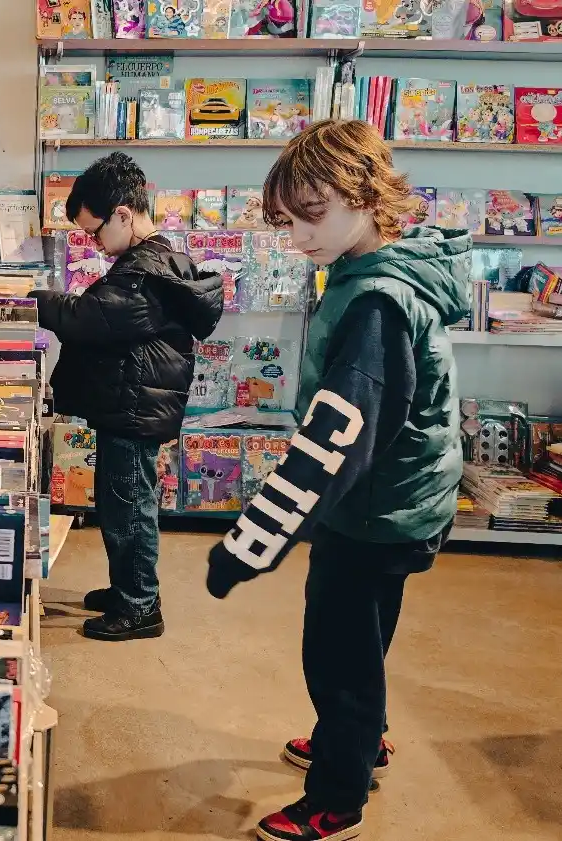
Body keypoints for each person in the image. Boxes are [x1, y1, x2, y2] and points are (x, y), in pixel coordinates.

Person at [204, 119, 471, 841]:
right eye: (287, 222)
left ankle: (337, 795)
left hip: (372, 511)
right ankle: (362, 738)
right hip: (405, 499)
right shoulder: (388, 269)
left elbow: (334, 441)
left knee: (338, 654)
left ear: (365, 194)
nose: (298, 238)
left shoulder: (375, 302)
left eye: (312, 216)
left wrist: (249, 543)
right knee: (367, 632)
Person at [30, 152, 223, 642]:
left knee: (130, 509)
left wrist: (32, 300)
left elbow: (90, 317)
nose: (94, 243)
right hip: (131, 405)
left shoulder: (145, 273)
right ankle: (128, 590)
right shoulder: (150, 262)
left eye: (95, 232)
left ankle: (140, 606)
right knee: (123, 506)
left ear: (122, 214)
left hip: (135, 410)